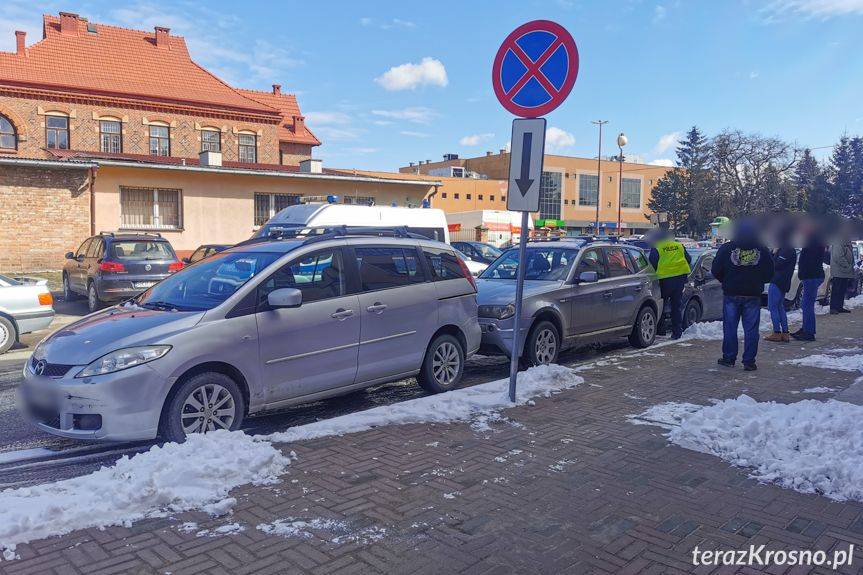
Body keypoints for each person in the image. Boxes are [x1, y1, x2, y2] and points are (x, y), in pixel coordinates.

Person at [711, 220, 774, 370]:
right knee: (751, 329)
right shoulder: (762, 249)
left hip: (731, 293)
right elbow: (770, 273)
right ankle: (749, 361)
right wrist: (757, 281)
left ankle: (729, 358)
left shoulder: (727, 248)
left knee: (730, 328)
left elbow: (715, 269)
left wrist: (726, 280)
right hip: (753, 294)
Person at [648, 225, 692, 339]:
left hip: (664, 281)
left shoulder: (657, 248)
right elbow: (689, 259)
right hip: (679, 280)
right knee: (676, 306)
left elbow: (651, 265)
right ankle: (677, 332)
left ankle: (661, 330)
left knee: (661, 304)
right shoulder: (679, 246)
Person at [764, 226, 797, 342]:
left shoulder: (785, 249)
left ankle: (777, 332)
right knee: (780, 307)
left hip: (777, 281)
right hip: (784, 281)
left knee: (773, 307)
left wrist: (773, 253)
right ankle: (785, 332)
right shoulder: (790, 249)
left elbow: (776, 265)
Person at [792, 231, 826, 341]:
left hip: (811, 277)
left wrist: (803, 274)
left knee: (807, 305)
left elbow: (808, 262)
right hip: (813, 276)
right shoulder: (815, 242)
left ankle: (808, 332)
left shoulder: (812, 243)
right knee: (807, 304)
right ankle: (807, 328)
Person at [829, 229, 854, 314]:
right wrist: (847, 265)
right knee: (836, 289)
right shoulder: (838, 242)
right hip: (839, 270)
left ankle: (839, 307)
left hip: (845, 271)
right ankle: (833, 308)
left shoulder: (846, 242)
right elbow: (838, 256)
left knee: (842, 289)